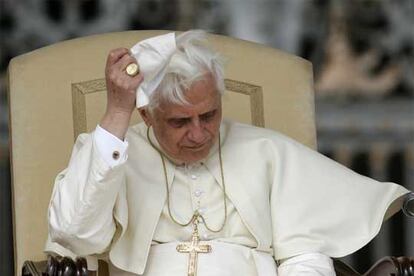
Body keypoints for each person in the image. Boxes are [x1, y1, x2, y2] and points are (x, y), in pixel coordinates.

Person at [46, 30, 410, 276]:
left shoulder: (267, 152)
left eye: (209, 115)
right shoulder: (110, 153)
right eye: (179, 121)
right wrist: (117, 112)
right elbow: (73, 235)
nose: (199, 133)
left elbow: (305, 254)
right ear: (146, 114)